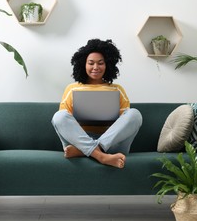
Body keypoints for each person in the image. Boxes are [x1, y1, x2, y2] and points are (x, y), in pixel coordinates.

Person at [51, 39, 142, 169]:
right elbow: (65, 122)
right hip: (80, 141)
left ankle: (88, 151)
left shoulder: (117, 89)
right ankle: (102, 156)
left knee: (135, 114)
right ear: (83, 64)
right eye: (91, 63)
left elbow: (124, 124)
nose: (95, 67)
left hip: (112, 144)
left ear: (108, 65)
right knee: (59, 116)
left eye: (100, 63)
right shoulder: (72, 88)